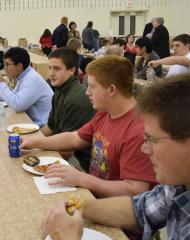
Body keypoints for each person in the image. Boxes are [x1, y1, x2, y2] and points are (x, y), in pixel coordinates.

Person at [43, 72, 190, 240]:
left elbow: (134, 190)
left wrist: (67, 237)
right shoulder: (177, 185)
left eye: (152, 140)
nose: (144, 148)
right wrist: (76, 207)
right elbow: (137, 211)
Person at [21, 55, 157, 198]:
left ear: (112, 90)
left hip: (112, 207)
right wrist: (35, 141)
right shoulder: (105, 113)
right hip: (92, 192)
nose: (87, 92)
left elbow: (135, 190)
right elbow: (75, 138)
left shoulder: (139, 130)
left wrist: (82, 178)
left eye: (92, 87)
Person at [42, 48, 95, 171]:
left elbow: (68, 151)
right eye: (50, 68)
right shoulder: (60, 90)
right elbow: (50, 127)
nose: (51, 73)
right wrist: (32, 141)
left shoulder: (76, 98)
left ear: (71, 70)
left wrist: (38, 152)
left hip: (80, 161)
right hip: (64, 150)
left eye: (57, 68)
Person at [0, 47, 53, 127]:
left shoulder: (32, 79)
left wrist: (1, 84)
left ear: (19, 66)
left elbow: (17, 105)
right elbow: (15, 95)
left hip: (42, 130)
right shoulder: (24, 76)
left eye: (7, 64)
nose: (5, 68)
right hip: (31, 122)